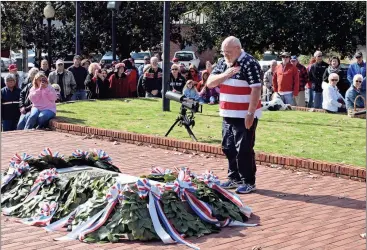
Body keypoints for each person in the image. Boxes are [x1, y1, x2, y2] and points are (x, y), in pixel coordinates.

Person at [206, 36, 262, 194]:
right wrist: (227, 74)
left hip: (244, 114)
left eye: (229, 52)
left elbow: (256, 89)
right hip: (228, 113)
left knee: (244, 148)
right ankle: (234, 177)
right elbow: (210, 83)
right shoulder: (223, 63)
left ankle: (248, 181)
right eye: (224, 52)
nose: (226, 55)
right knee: (228, 147)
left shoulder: (249, 63)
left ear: (238, 48)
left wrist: (250, 113)